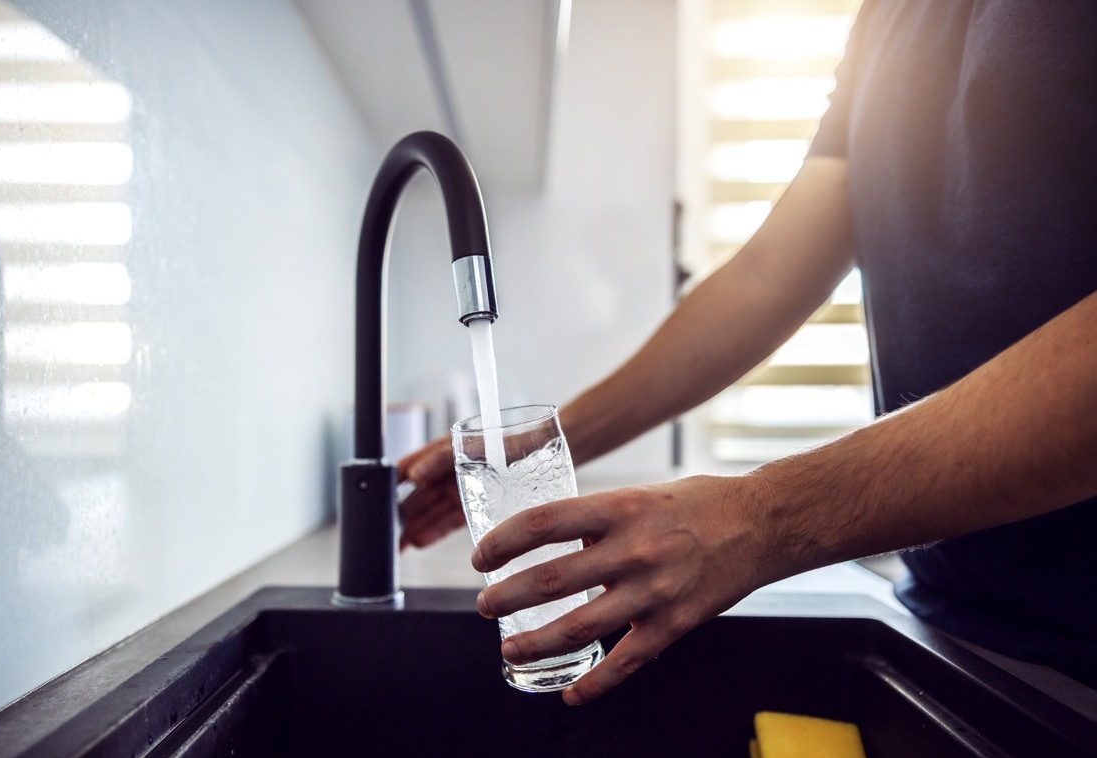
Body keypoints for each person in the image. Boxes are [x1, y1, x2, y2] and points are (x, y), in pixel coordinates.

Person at [397, 0, 1097, 706]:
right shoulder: (889, 16)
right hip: (956, 616)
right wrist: (537, 454)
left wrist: (757, 518)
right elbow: (767, 278)